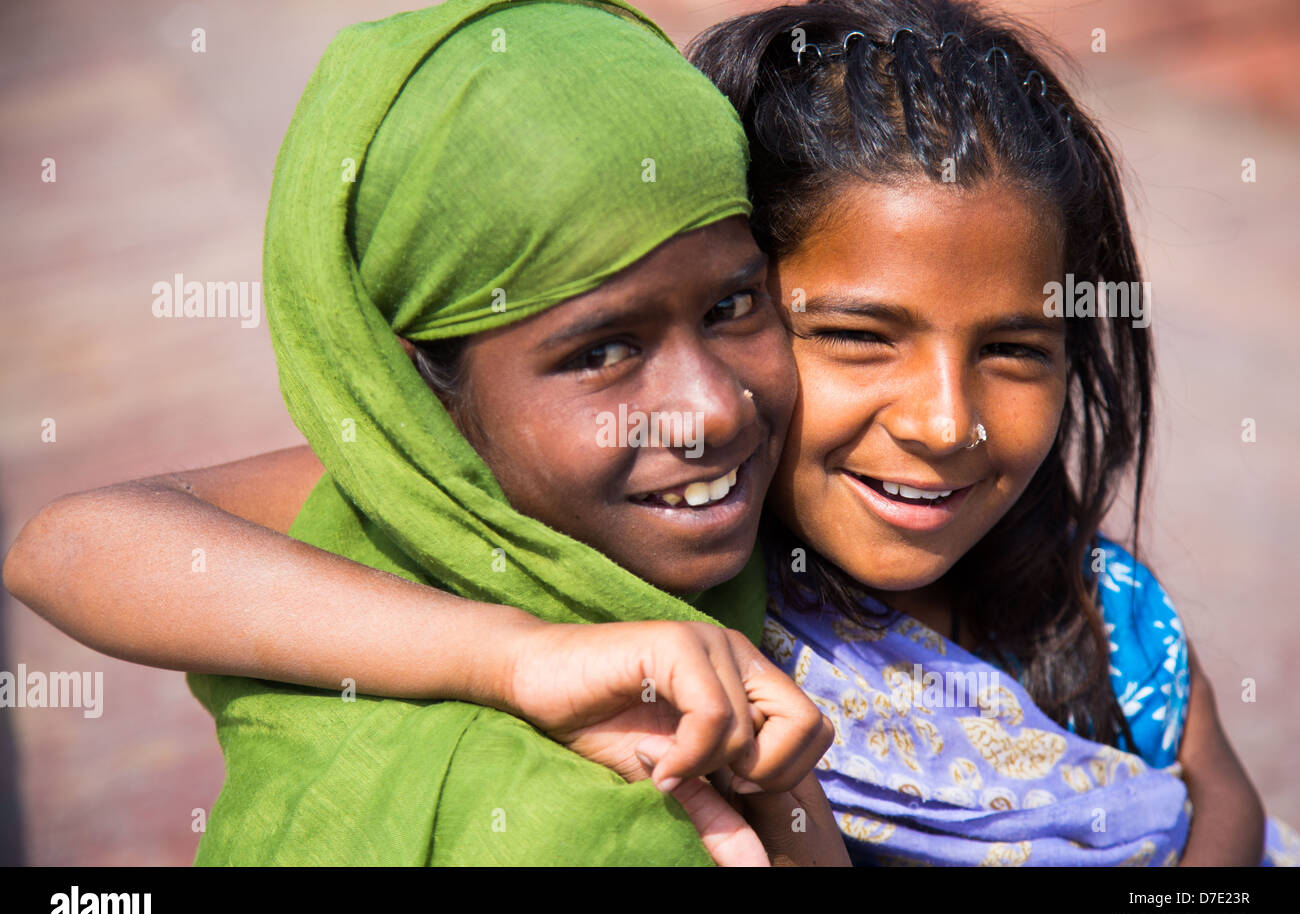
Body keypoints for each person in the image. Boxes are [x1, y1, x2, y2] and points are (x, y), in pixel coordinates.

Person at [8, 0, 1295, 866]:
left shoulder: (1093, 599)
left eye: (1016, 349)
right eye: (853, 334)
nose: (948, 423)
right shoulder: (579, 557)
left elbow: (1217, 828)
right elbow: (80, 541)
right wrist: (506, 657)